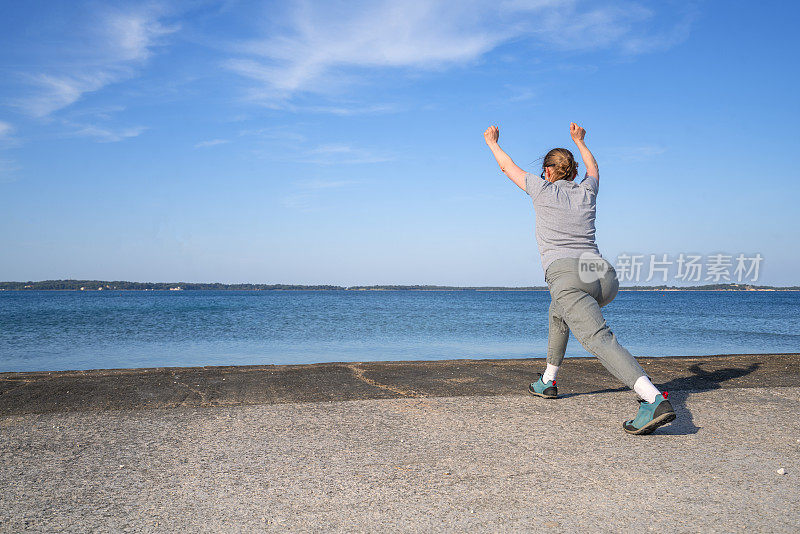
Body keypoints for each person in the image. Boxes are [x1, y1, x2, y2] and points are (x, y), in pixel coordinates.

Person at [483, 122, 676, 435]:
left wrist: (492, 142)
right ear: (571, 171)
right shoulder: (588, 190)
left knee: (598, 337)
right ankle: (547, 380)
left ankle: (653, 399)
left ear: (548, 171)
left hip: (567, 275)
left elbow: (507, 167)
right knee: (558, 310)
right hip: (602, 275)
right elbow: (594, 167)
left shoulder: (540, 188)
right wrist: (581, 140)